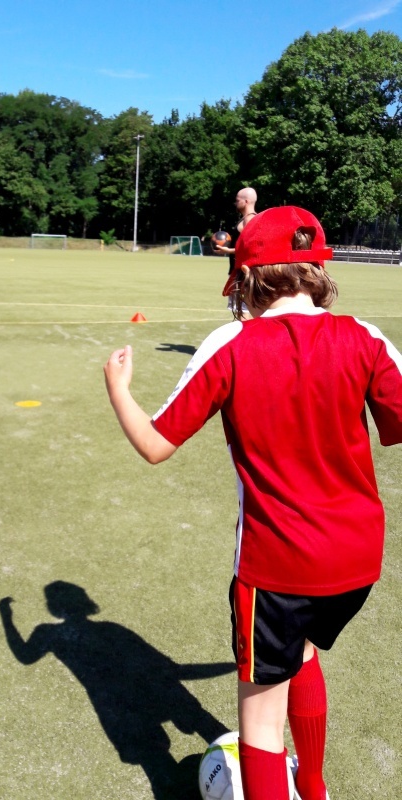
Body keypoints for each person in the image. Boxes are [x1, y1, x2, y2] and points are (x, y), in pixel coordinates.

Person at [104, 205, 402, 800]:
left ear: (246, 279)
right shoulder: (366, 336)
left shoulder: (233, 342)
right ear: (318, 268)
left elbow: (156, 445)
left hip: (278, 566)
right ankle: (313, 788)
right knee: (306, 655)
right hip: (357, 561)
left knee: (261, 721)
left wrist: (118, 390)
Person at [214, 187, 258, 315]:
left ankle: (247, 335)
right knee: (239, 311)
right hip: (238, 271)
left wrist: (228, 250)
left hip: (243, 273)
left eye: (237, 200)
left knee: (243, 312)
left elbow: (251, 247)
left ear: (246, 201)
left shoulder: (249, 219)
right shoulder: (246, 218)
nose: (235, 203)